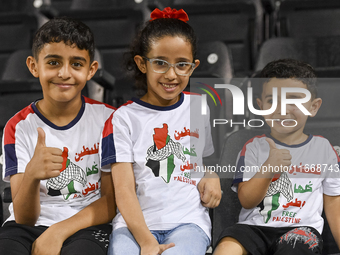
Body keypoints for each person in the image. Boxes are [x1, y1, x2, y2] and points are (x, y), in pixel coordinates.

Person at [100, 7, 221, 255]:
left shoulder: (198, 106)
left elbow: (199, 161)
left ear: (193, 66)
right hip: (133, 226)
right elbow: (123, 191)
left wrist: (211, 174)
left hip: (189, 222)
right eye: (160, 63)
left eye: (181, 65)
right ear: (142, 64)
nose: (171, 74)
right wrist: (146, 241)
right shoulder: (122, 118)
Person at [0, 17, 116, 255]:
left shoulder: (110, 120)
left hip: (90, 223)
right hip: (27, 226)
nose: (64, 73)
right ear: (34, 66)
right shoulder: (18, 126)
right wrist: (32, 174)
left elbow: (112, 201)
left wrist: (58, 231)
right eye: (53, 62)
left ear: (91, 70)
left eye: (76, 64)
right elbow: (24, 217)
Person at [213, 58, 340, 255]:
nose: (282, 108)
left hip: (301, 230)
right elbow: (247, 200)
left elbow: (334, 205)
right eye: (272, 100)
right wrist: (268, 168)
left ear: (313, 107)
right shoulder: (252, 147)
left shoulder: (323, 149)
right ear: (260, 106)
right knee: (227, 245)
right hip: (253, 228)